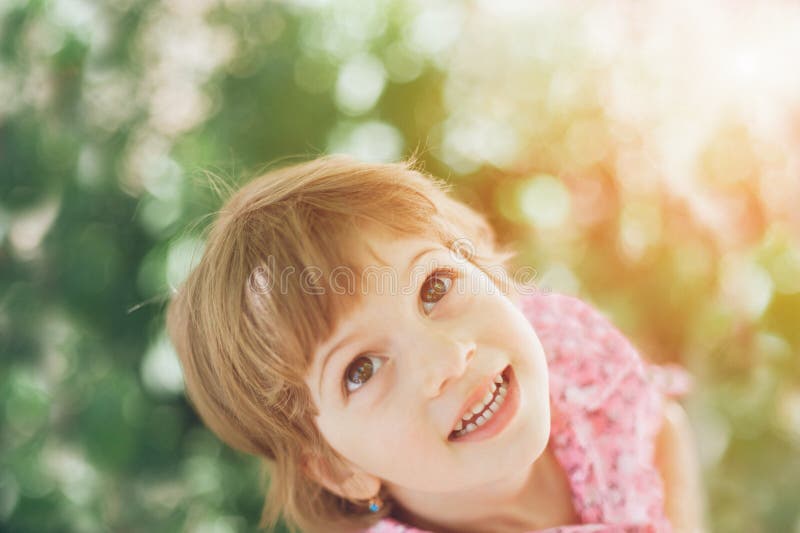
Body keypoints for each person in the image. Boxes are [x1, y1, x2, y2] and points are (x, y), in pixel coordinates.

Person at [166, 155, 706, 533]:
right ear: (337, 467)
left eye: (435, 286)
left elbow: (655, 423)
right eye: (361, 369)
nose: (447, 358)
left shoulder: (563, 347)